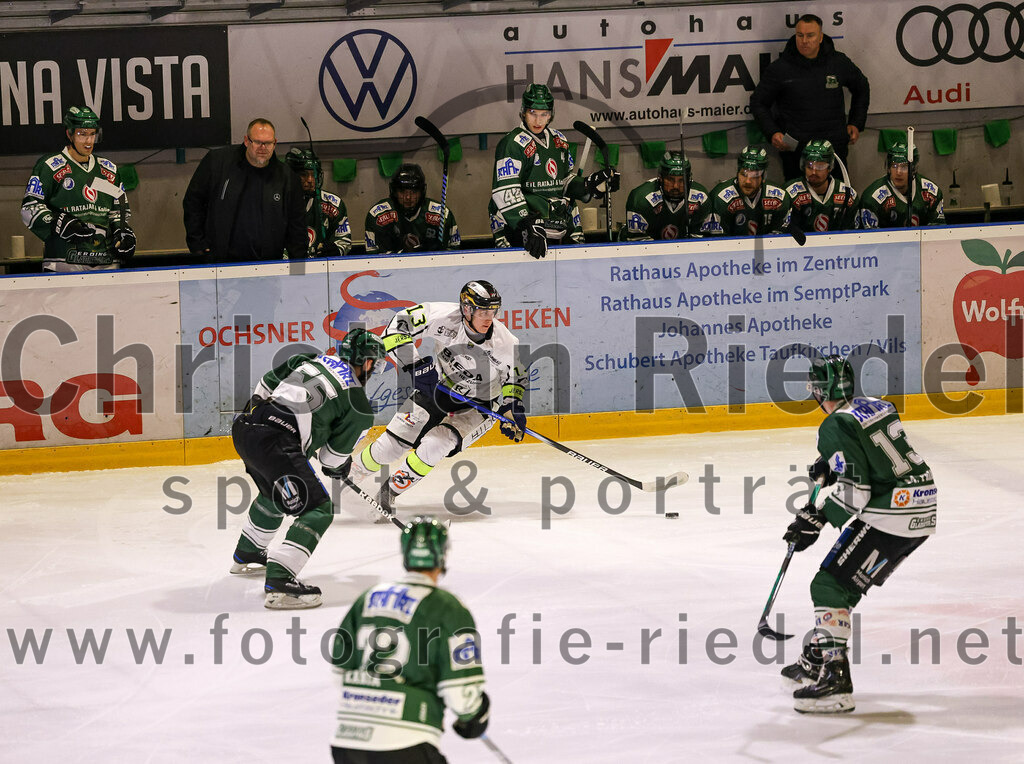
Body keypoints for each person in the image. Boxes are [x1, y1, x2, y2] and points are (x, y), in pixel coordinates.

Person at [781, 354, 936, 714]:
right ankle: (819, 653)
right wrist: (835, 465)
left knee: (828, 585)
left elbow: (858, 492)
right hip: (922, 507)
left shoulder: (833, 424)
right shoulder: (877, 406)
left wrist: (818, 519)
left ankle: (835, 680)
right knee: (846, 582)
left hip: (892, 514)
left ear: (819, 391)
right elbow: (876, 458)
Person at [338, 280, 528, 520]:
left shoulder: (506, 342)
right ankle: (348, 478)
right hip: (437, 388)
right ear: (467, 309)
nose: (489, 318)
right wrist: (414, 366)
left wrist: (512, 406)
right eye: (482, 311)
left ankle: (389, 492)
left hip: (479, 406)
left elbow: (516, 376)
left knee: (436, 445)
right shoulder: (442, 316)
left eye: (492, 311)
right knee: (391, 445)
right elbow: (395, 328)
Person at [228, 328, 386, 610]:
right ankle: (280, 580)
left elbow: (264, 386)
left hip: (245, 427)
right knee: (318, 509)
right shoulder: (359, 404)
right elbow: (330, 460)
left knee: (276, 491)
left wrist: (265, 421)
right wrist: (341, 466)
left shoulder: (308, 358)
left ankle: (249, 551)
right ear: (369, 362)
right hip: (276, 443)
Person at [330, 516, 489, 762]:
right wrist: (474, 716)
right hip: (407, 742)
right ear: (442, 556)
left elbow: (339, 669)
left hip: (347, 742)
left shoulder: (368, 597)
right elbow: (460, 691)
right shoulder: (449, 608)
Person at [491, 83, 619, 259]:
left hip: (555, 223)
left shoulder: (559, 140)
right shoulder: (512, 144)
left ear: (551, 114)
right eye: (533, 113)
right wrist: (527, 222)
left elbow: (564, 182)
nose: (538, 121)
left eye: (544, 114)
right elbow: (504, 189)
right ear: (523, 112)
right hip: (520, 226)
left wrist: (589, 185)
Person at [750, 13, 870, 182]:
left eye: (810, 35)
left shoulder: (838, 62)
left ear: (820, 37)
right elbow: (758, 102)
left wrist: (856, 122)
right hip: (796, 150)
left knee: (838, 195)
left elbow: (862, 87)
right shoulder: (780, 68)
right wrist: (772, 132)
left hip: (834, 147)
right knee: (797, 196)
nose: (804, 41)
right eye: (800, 35)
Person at [21, 105, 136, 272]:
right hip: (64, 261)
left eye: (92, 134)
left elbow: (119, 211)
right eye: (82, 134)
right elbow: (29, 208)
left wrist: (123, 232)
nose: (88, 141)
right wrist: (56, 222)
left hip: (106, 263)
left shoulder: (109, 169)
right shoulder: (49, 167)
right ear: (69, 134)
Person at [182, 117, 307, 263]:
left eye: (268, 143)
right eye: (258, 142)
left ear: (275, 143)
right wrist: (197, 245)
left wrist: (299, 270)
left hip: (269, 265)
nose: (263, 147)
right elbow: (193, 202)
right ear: (247, 141)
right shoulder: (217, 163)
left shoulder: (287, 178)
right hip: (221, 263)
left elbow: (297, 226)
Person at [364, 163, 460, 254]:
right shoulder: (378, 215)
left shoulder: (442, 214)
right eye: (402, 191)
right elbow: (374, 257)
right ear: (394, 192)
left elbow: (454, 251)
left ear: (422, 192)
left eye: (414, 192)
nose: (408, 197)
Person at [623, 151, 712, 241]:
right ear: (660, 178)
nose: (676, 186)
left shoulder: (701, 198)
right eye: (670, 179)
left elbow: (699, 239)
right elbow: (637, 242)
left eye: (681, 180)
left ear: (689, 179)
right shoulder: (641, 199)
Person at [707, 146, 792, 237]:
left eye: (755, 176)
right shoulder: (720, 198)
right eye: (744, 174)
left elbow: (781, 238)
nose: (748, 181)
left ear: (764, 177)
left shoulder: (779, 197)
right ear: (737, 173)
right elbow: (716, 240)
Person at [857, 143, 946, 228]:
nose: (898, 172)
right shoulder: (872, 199)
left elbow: (938, 232)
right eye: (894, 166)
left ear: (914, 168)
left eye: (904, 167)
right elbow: (870, 237)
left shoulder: (931, 193)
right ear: (888, 168)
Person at [285, 147, 353, 257]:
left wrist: (336, 249)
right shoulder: (277, 204)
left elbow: (344, 240)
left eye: (314, 174)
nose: (310, 180)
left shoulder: (333, 204)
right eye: (304, 174)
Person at [784, 140, 858, 232]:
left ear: (830, 167)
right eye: (809, 166)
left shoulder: (848, 194)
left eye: (820, 167)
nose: (814, 172)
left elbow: (853, 233)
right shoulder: (789, 193)